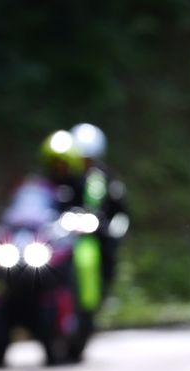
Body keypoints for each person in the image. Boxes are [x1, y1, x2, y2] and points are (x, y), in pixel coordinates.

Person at [68, 122, 128, 310]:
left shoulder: (105, 178)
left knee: (109, 249)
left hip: (96, 232)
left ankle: (103, 289)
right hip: (67, 232)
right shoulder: (66, 177)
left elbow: (119, 208)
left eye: (88, 159)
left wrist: (111, 230)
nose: (84, 163)